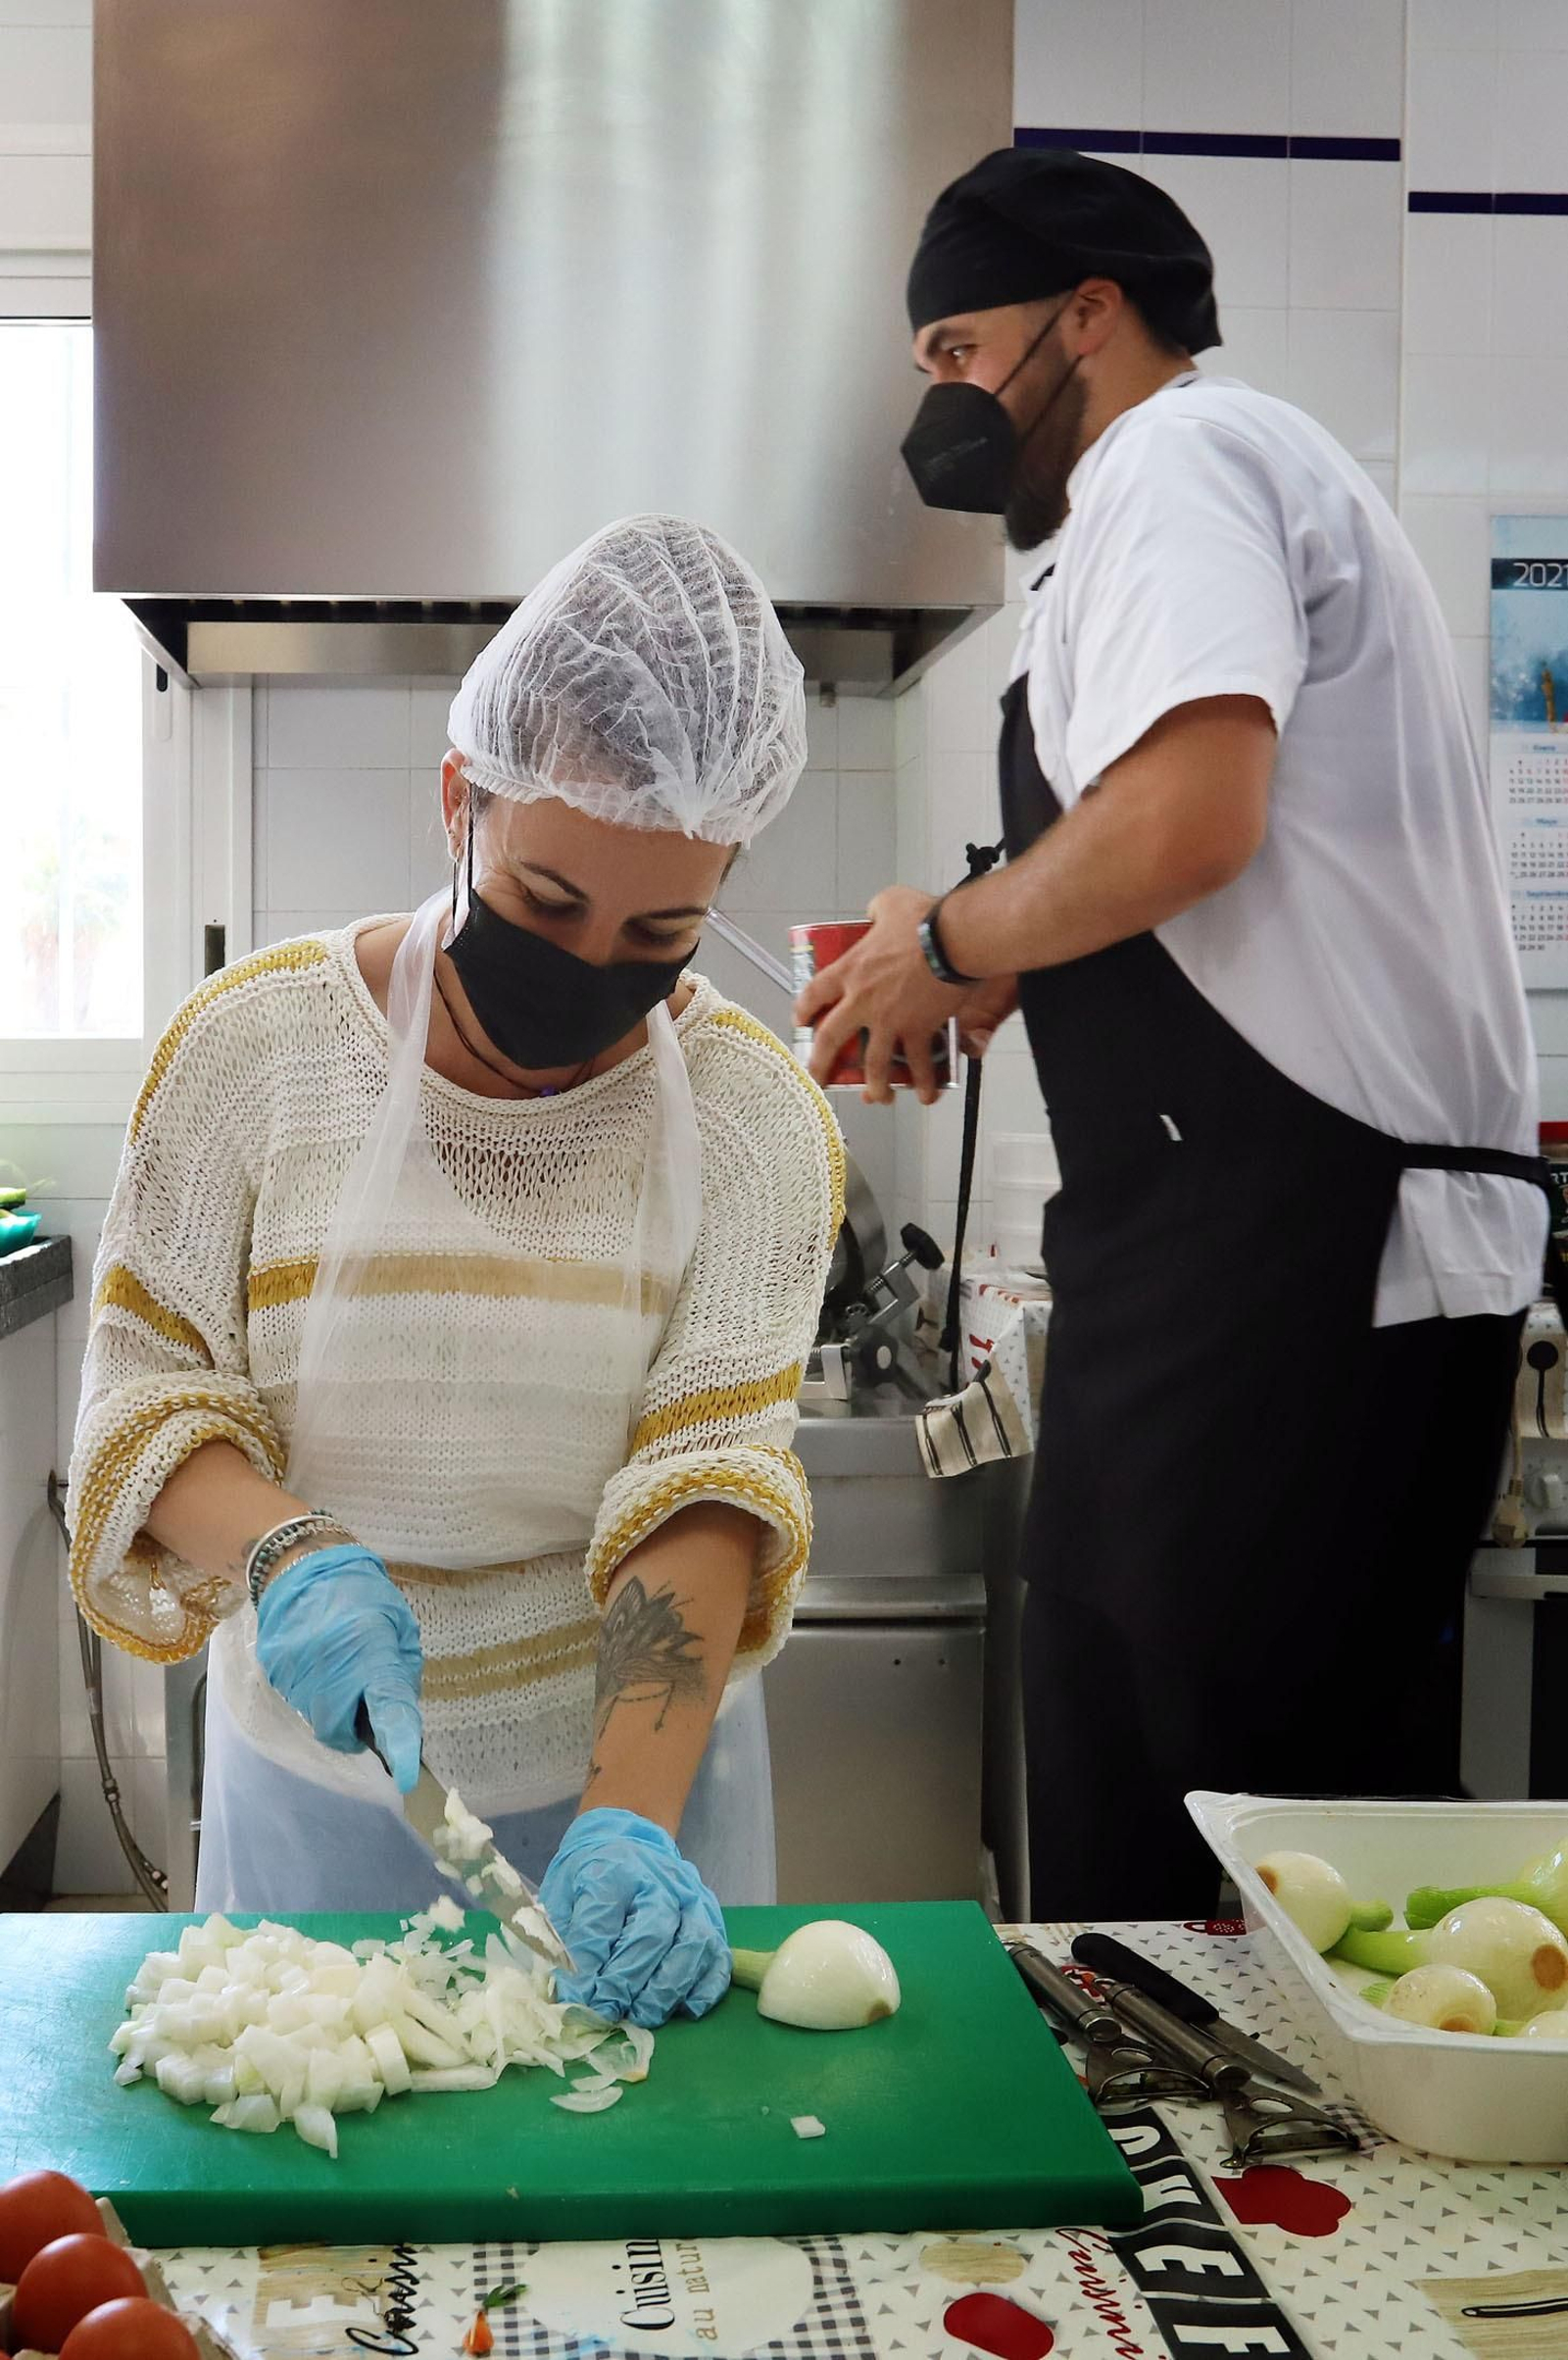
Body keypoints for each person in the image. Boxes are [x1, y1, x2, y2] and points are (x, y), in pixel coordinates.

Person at [798, 148, 1548, 1919]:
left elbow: (1196, 816)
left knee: (1252, 1844)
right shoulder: (1166, 509)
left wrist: (962, 932)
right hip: (1227, 1253)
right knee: (1170, 1788)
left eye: (962, 350)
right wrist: (981, 955)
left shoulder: (1186, 457)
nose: (951, 409)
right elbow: (1189, 868)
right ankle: (1195, 2181)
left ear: (1091, 313)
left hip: (1304, 1254)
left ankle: (1287, 2191)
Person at [71, 514, 843, 2025]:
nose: (589, 965)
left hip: (644, 1780)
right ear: (460, 801)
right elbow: (145, 1394)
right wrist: (286, 1549)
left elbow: (706, 1481)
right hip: (323, 1801)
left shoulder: (755, 1120)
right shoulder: (253, 1054)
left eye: (661, 931)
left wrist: (626, 1823)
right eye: (550, 903)